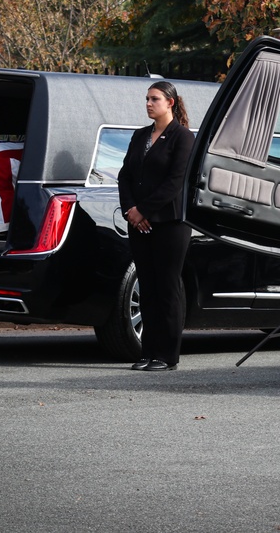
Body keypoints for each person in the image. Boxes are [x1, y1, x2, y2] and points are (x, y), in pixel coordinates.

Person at [117, 81, 194, 372]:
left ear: (170, 103)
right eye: (147, 99)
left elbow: (175, 182)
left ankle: (166, 355)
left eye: (155, 99)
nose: (149, 103)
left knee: (167, 287)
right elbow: (125, 176)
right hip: (139, 224)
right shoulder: (139, 137)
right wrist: (131, 211)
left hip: (170, 224)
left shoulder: (183, 137)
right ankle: (148, 352)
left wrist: (144, 209)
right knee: (147, 286)